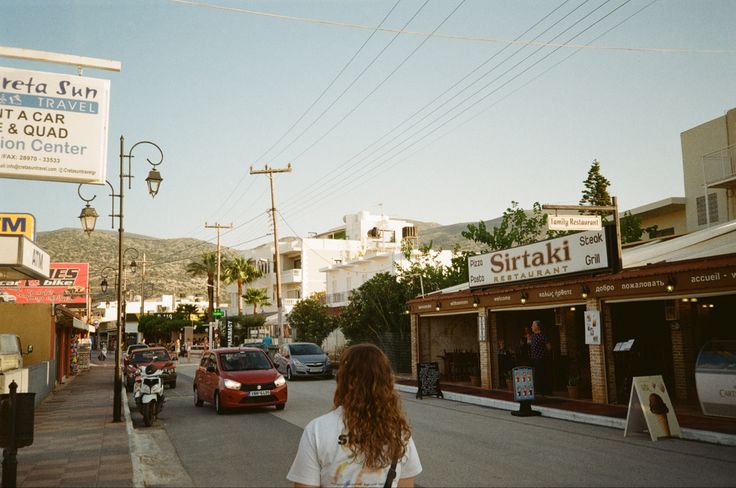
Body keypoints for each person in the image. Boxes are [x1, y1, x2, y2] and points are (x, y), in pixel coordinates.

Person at [287, 343, 422, 487]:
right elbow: (406, 484)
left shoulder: (317, 430)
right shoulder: (399, 432)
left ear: (343, 380)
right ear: (387, 382)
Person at [530, 320, 552, 395]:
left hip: (542, 359)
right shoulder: (533, 336)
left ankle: (545, 391)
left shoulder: (542, 335)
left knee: (543, 375)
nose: (531, 327)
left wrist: (544, 354)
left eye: (533, 325)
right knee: (537, 375)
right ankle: (538, 390)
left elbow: (549, 347)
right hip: (535, 359)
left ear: (537, 326)